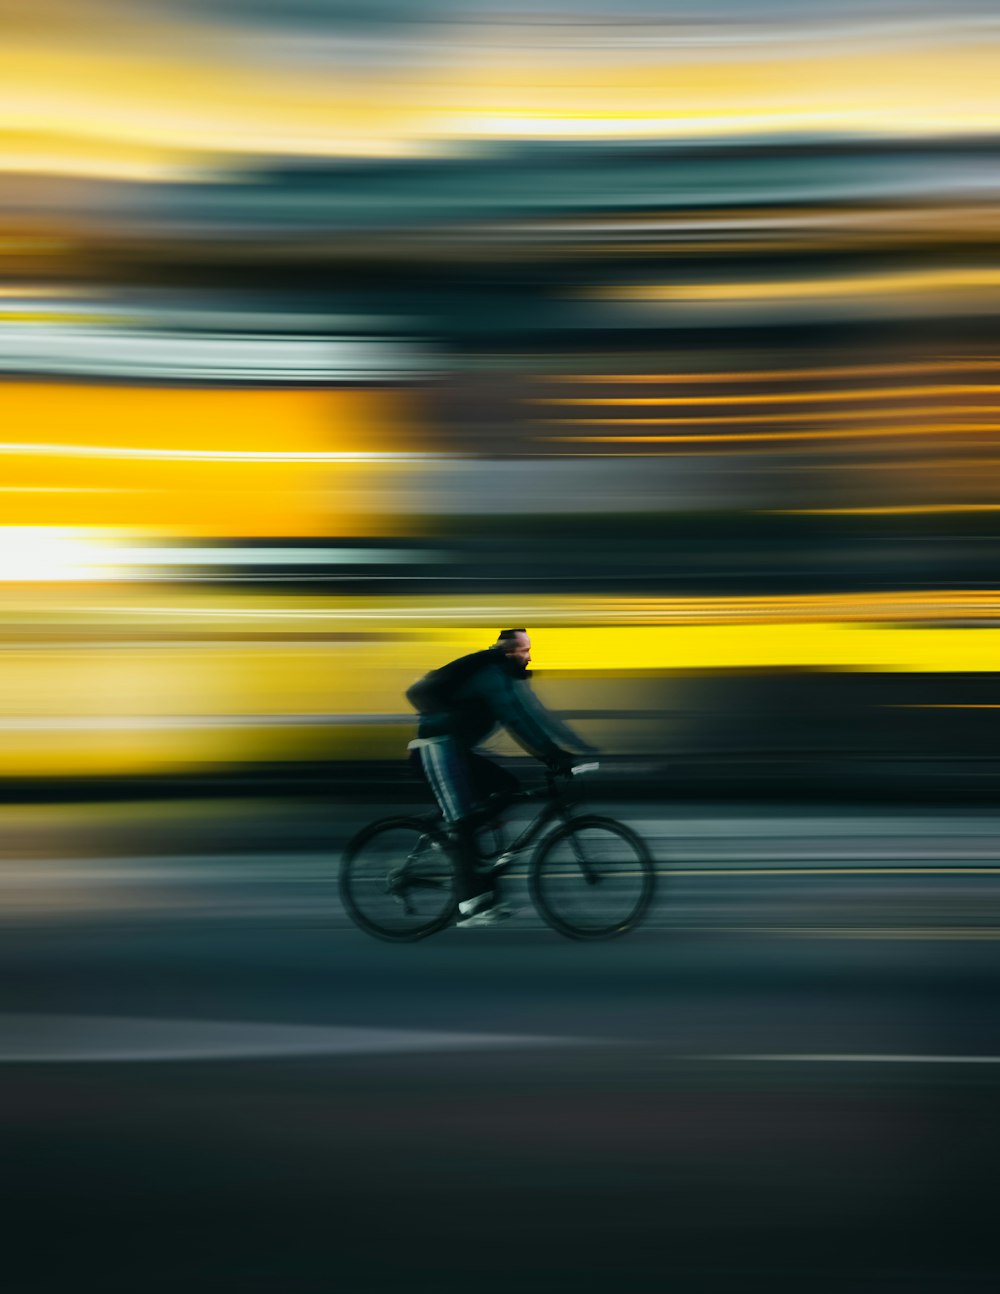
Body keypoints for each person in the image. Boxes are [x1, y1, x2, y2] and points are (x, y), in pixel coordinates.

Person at [405, 629, 596, 927]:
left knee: (507, 786)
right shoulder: (492, 674)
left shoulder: (503, 677)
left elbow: (536, 716)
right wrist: (553, 756)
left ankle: (459, 845)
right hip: (436, 748)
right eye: (524, 650)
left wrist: (575, 751)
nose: (530, 656)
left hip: (454, 752)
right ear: (508, 651)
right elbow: (516, 719)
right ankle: (470, 904)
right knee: (465, 824)